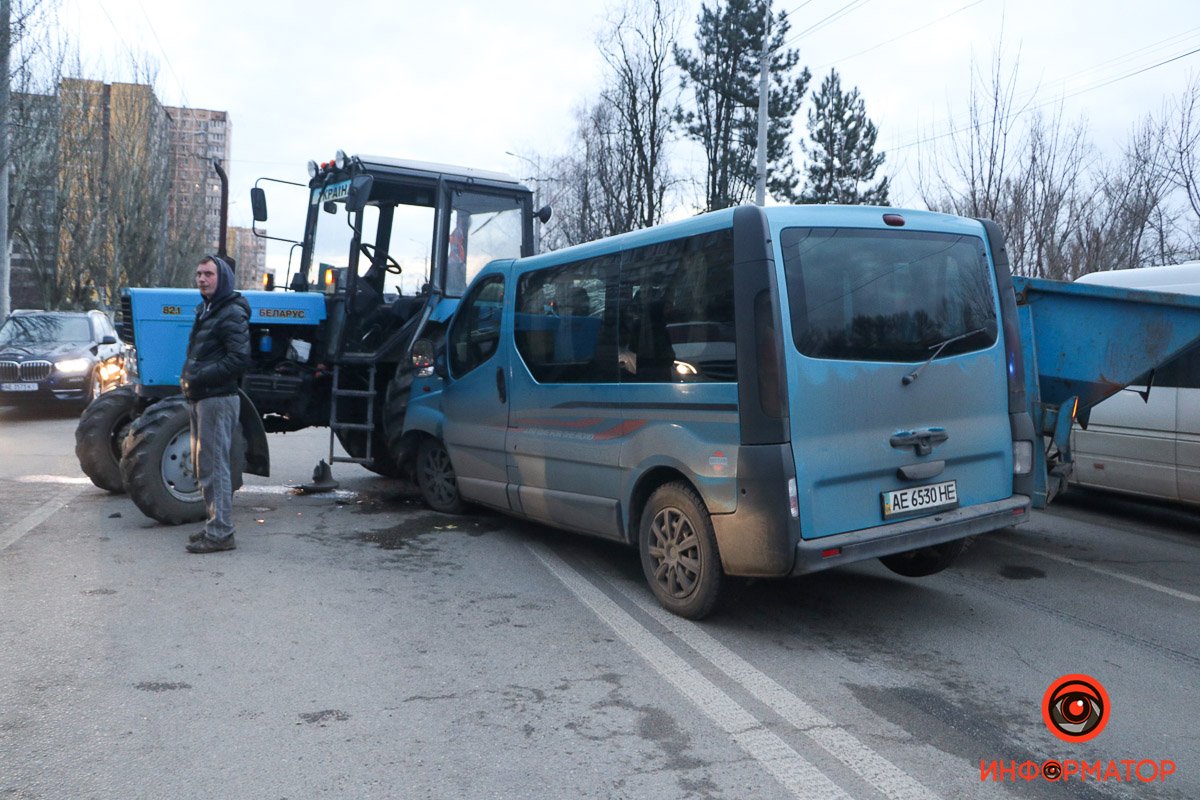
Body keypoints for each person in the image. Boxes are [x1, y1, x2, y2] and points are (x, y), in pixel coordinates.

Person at [181, 255, 251, 554]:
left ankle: (222, 533)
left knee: (216, 467)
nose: (202, 279)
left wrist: (199, 376)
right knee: (203, 466)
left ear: (222, 278)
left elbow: (239, 359)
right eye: (198, 274)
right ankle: (215, 524)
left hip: (217, 398)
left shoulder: (231, 313)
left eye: (208, 274)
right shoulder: (206, 310)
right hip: (201, 396)